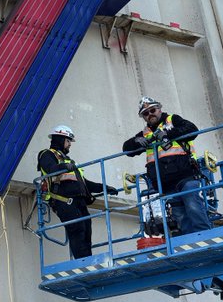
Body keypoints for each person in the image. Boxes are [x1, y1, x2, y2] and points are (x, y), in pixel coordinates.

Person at [122, 96, 212, 235]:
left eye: (152, 110)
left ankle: (205, 236)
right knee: (178, 214)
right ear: (143, 117)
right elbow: (126, 149)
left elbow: (192, 129)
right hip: (165, 183)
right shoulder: (145, 133)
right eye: (146, 113)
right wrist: (137, 141)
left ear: (159, 109)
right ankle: (190, 240)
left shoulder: (173, 120)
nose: (150, 114)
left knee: (192, 205)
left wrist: (168, 134)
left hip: (185, 175)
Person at [36, 124, 118, 260]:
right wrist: (64, 166)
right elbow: (51, 168)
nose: (69, 145)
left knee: (86, 230)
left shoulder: (69, 161)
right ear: (59, 139)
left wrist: (103, 187)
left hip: (78, 201)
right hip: (63, 201)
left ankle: (88, 261)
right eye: (68, 141)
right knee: (77, 230)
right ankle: (83, 263)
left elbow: (84, 183)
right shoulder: (46, 154)